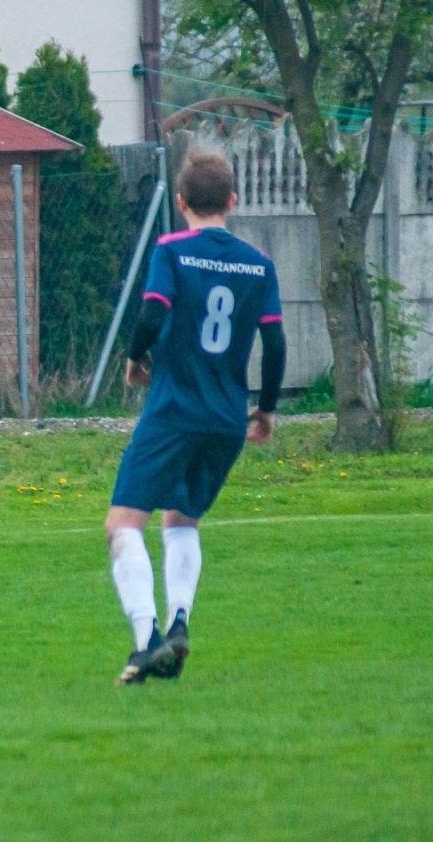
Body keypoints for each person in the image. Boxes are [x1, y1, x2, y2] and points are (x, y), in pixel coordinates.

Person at [107, 150, 286, 685]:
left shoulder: (172, 248)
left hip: (173, 410)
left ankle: (146, 642)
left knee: (123, 524)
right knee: (182, 519)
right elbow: (275, 344)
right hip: (226, 417)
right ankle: (181, 620)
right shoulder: (259, 263)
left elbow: (154, 310)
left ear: (180, 201)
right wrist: (268, 409)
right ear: (232, 201)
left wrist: (135, 359)